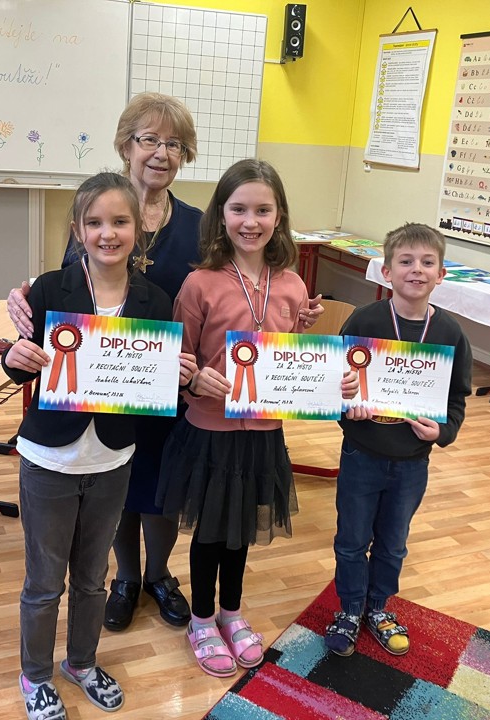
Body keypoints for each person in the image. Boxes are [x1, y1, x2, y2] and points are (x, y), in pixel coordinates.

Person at [7, 93, 324, 634]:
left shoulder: (199, 224)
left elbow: (234, 286)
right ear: (125, 145)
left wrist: (289, 323)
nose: (161, 153)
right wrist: (25, 297)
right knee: (119, 482)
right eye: (149, 139)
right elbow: (70, 289)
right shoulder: (99, 210)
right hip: (111, 380)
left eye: (174, 144)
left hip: (178, 380)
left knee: (162, 485)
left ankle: (159, 575)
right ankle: (126, 578)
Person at [155, 158, 358, 677]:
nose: (251, 221)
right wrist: (194, 379)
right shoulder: (199, 283)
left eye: (263, 210)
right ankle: (202, 620)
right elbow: (178, 359)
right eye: (239, 209)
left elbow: (287, 360)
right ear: (221, 214)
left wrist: (317, 359)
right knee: (209, 533)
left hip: (264, 433)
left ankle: (231, 613)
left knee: (241, 529)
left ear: (279, 215)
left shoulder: (291, 285)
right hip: (209, 431)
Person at [2, 172, 194, 720]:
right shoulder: (48, 290)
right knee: (45, 582)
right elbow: (23, 366)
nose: (107, 233)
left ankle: (81, 663)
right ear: (77, 229)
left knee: (92, 580)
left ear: (138, 230)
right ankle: (36, 675)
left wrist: (177, 376)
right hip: (49, 459)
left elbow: (151, 386)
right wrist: (13, 359)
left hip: (112, 459)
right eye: (94, 222)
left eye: (120, 222)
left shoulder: (155, 301)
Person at [324, 222, 473, 658]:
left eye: (427, 262)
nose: (416, 270)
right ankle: (350, 609)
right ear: (386, 271)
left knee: (393, 544)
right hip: (362, 455)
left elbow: (457, 398)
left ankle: (378, 607)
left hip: (412, 462)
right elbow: (335, 383)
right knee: (352, 540)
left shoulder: (450, 333)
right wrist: (347, 404)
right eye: (406, 261)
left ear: (441, 274)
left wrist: (442, 431)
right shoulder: (365, 321)